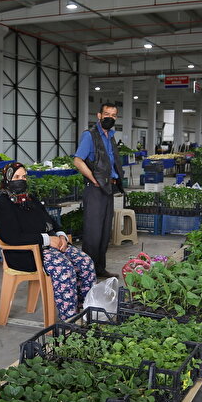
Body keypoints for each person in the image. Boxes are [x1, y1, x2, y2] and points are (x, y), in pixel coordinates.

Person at [0, 163, 96, 317]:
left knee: (85, 262)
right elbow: (12, 238)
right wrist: (47, 240)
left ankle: (87, 312)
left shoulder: (30, 199)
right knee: (64, 269)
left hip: (47, 247)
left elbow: (50, 220)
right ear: (7, 180)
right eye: (16, 177)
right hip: (25, 254)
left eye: (24, 176)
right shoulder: (4, 206)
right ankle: (70, 321)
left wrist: (61, 235)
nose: (21, 180)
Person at [72, 102, 124, 278]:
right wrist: (93, 179)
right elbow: (78, 160)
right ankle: (87, 272)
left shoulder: (110, 137)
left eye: (113, 115)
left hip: (108, 188)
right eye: (107, 114)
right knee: (93, 232)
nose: (110, 117)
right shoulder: (90, 136)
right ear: (99, 115)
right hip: (95, 189)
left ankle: (100, 268)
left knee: (103, 231)